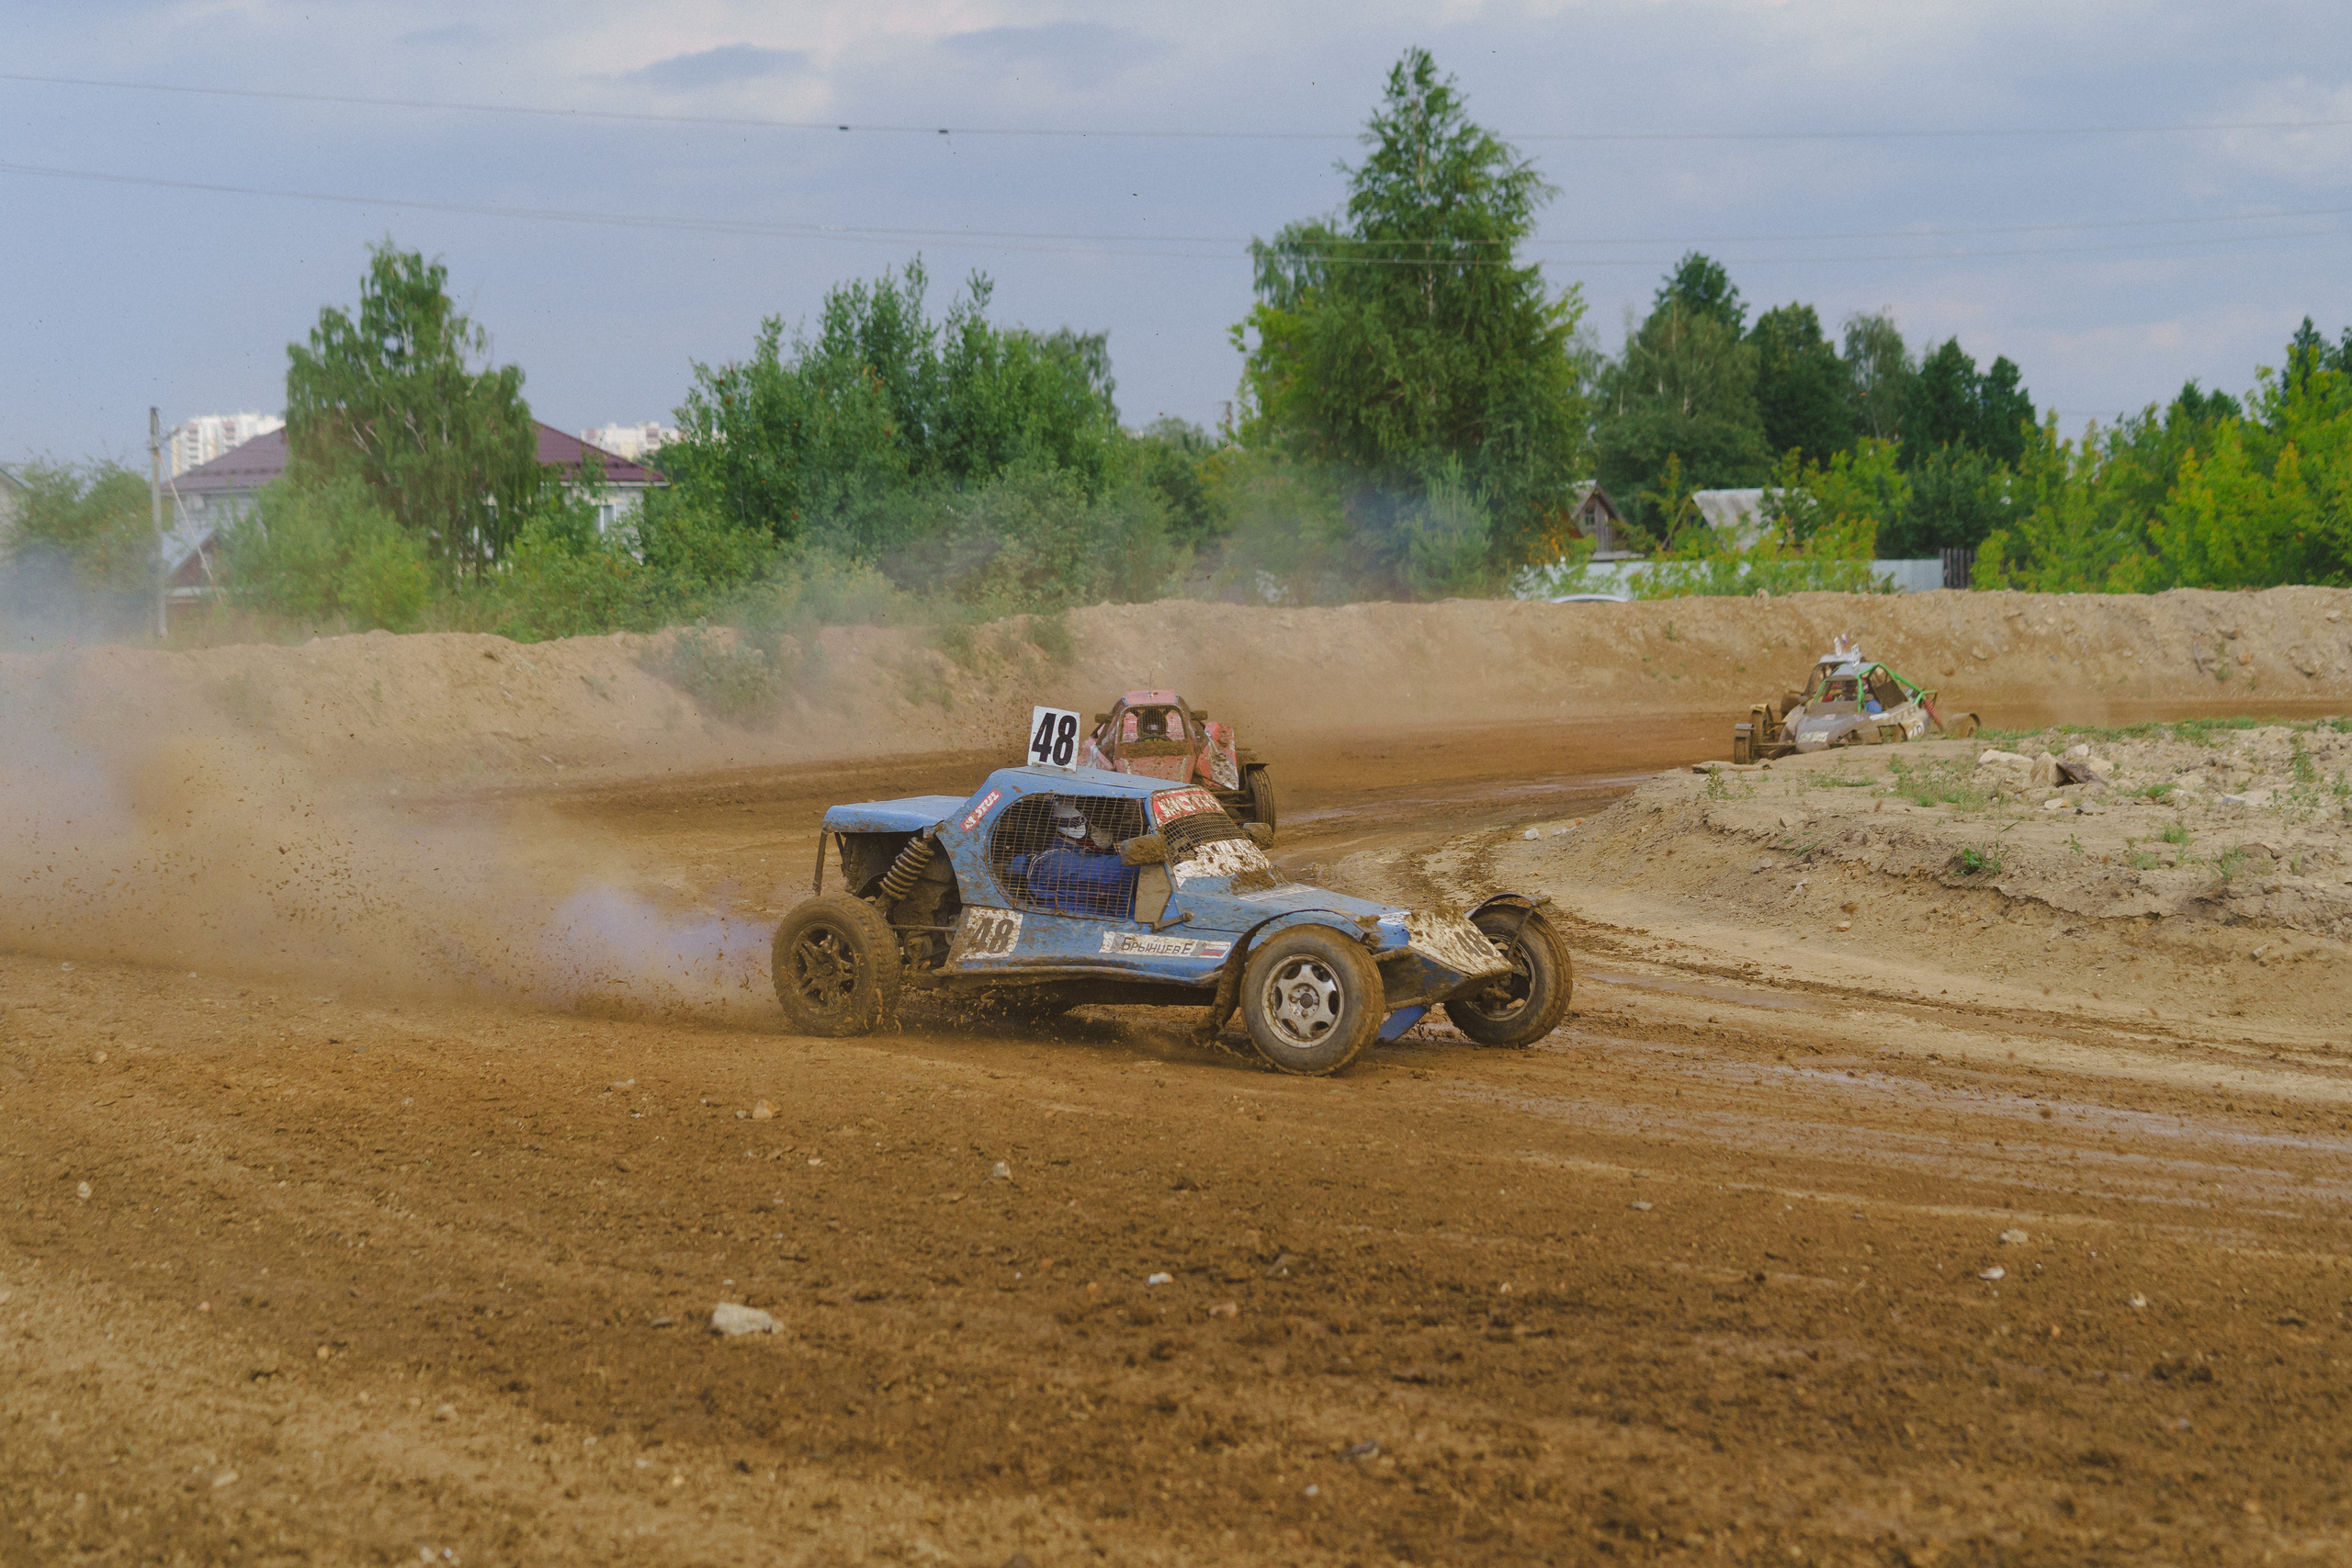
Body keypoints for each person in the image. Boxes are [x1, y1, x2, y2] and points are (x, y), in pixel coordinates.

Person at [1010, 800, 1136, 918]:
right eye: (1102, 821)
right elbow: (1112, 873)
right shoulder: (1055, 862)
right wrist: (1150, 851)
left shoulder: (1085, 854)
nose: (1109, 828)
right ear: (1077, 824)